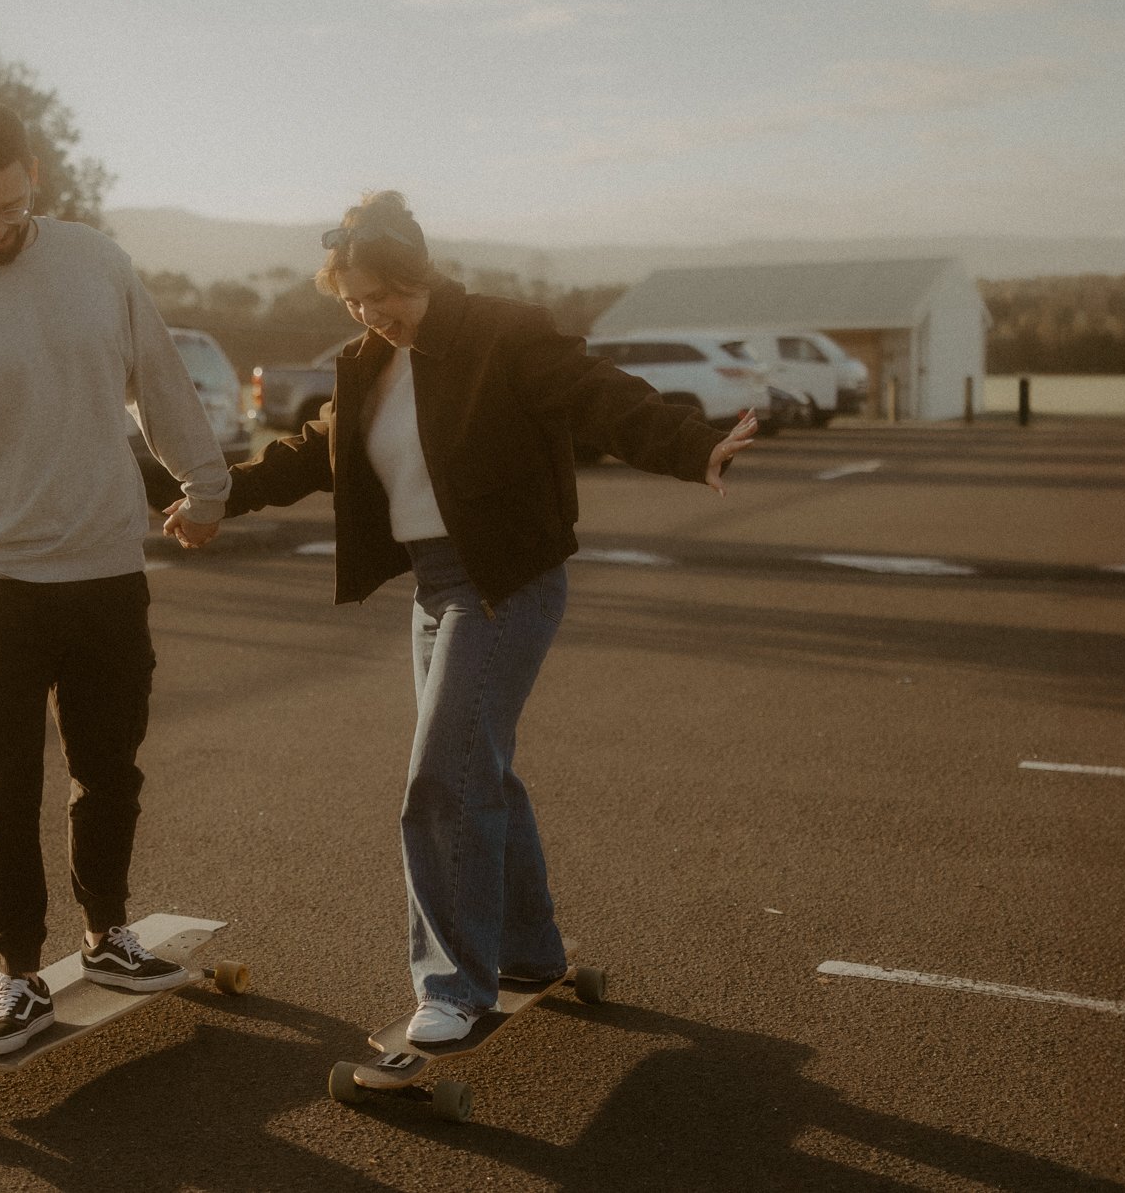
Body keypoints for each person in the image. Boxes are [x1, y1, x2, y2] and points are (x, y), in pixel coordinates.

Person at [166, 190, 754, 1057]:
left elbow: (597, 394)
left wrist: (687, 443)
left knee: (442, 777)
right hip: (436, 590)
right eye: (356, 303)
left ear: (418, 271)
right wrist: (221, 499)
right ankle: (528, 950)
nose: (373, 315)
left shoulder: (502, 334)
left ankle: (451, 986)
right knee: (483, 771)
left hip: (506, 583)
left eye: (383, 296)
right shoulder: (368, 363)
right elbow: (312, 452)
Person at [0, 100, 230, 1056]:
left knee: (111, 770)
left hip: (106, 568)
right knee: (4, 790)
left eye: (11, 208)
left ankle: (107, 933)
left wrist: (208, 481)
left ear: (36, 176)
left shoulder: (98, 263)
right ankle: (19, 975)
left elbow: (158, 379)